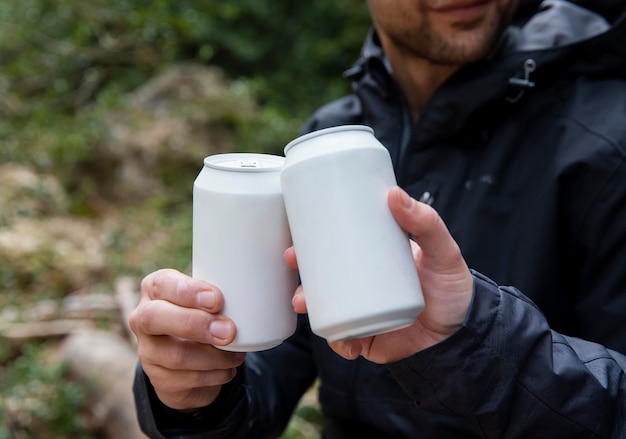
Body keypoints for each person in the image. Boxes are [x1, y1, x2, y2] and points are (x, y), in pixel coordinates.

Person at [129, 0, 626, 437]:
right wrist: (195, 392)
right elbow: (262, 387)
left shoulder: (608, 141)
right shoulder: (326, 140)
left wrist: (470, 340)